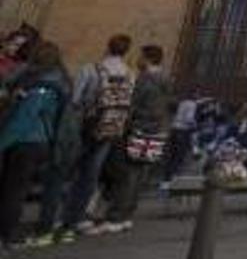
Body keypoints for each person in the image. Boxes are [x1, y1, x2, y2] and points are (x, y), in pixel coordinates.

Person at [62, 34, 135, 236]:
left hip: (86, 125)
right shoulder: (130, 73)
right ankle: (79, 217)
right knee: (91, 173)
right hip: (110, 128)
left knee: (69, 168)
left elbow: (75, 99)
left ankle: (63, 215)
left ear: (107, 46)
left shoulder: (91, 68)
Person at [0, 41, 70, 249]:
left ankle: (7, 233)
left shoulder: (41, 84)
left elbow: (26, 117)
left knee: (13, 189)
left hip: (26, 140)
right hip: (42, 141)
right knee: (14, 187)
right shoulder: (61, 81)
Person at [97, 45, 171, 234]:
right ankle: (127, 214)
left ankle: (115, 217)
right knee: (139, 175)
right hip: (156, 133)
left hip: (138, 131)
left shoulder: (146, 79)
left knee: (127, 174)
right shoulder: (165, 79)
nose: (137, 60)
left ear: (147, 59)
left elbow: (133, 105)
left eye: (140, 57)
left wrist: (126, 123)